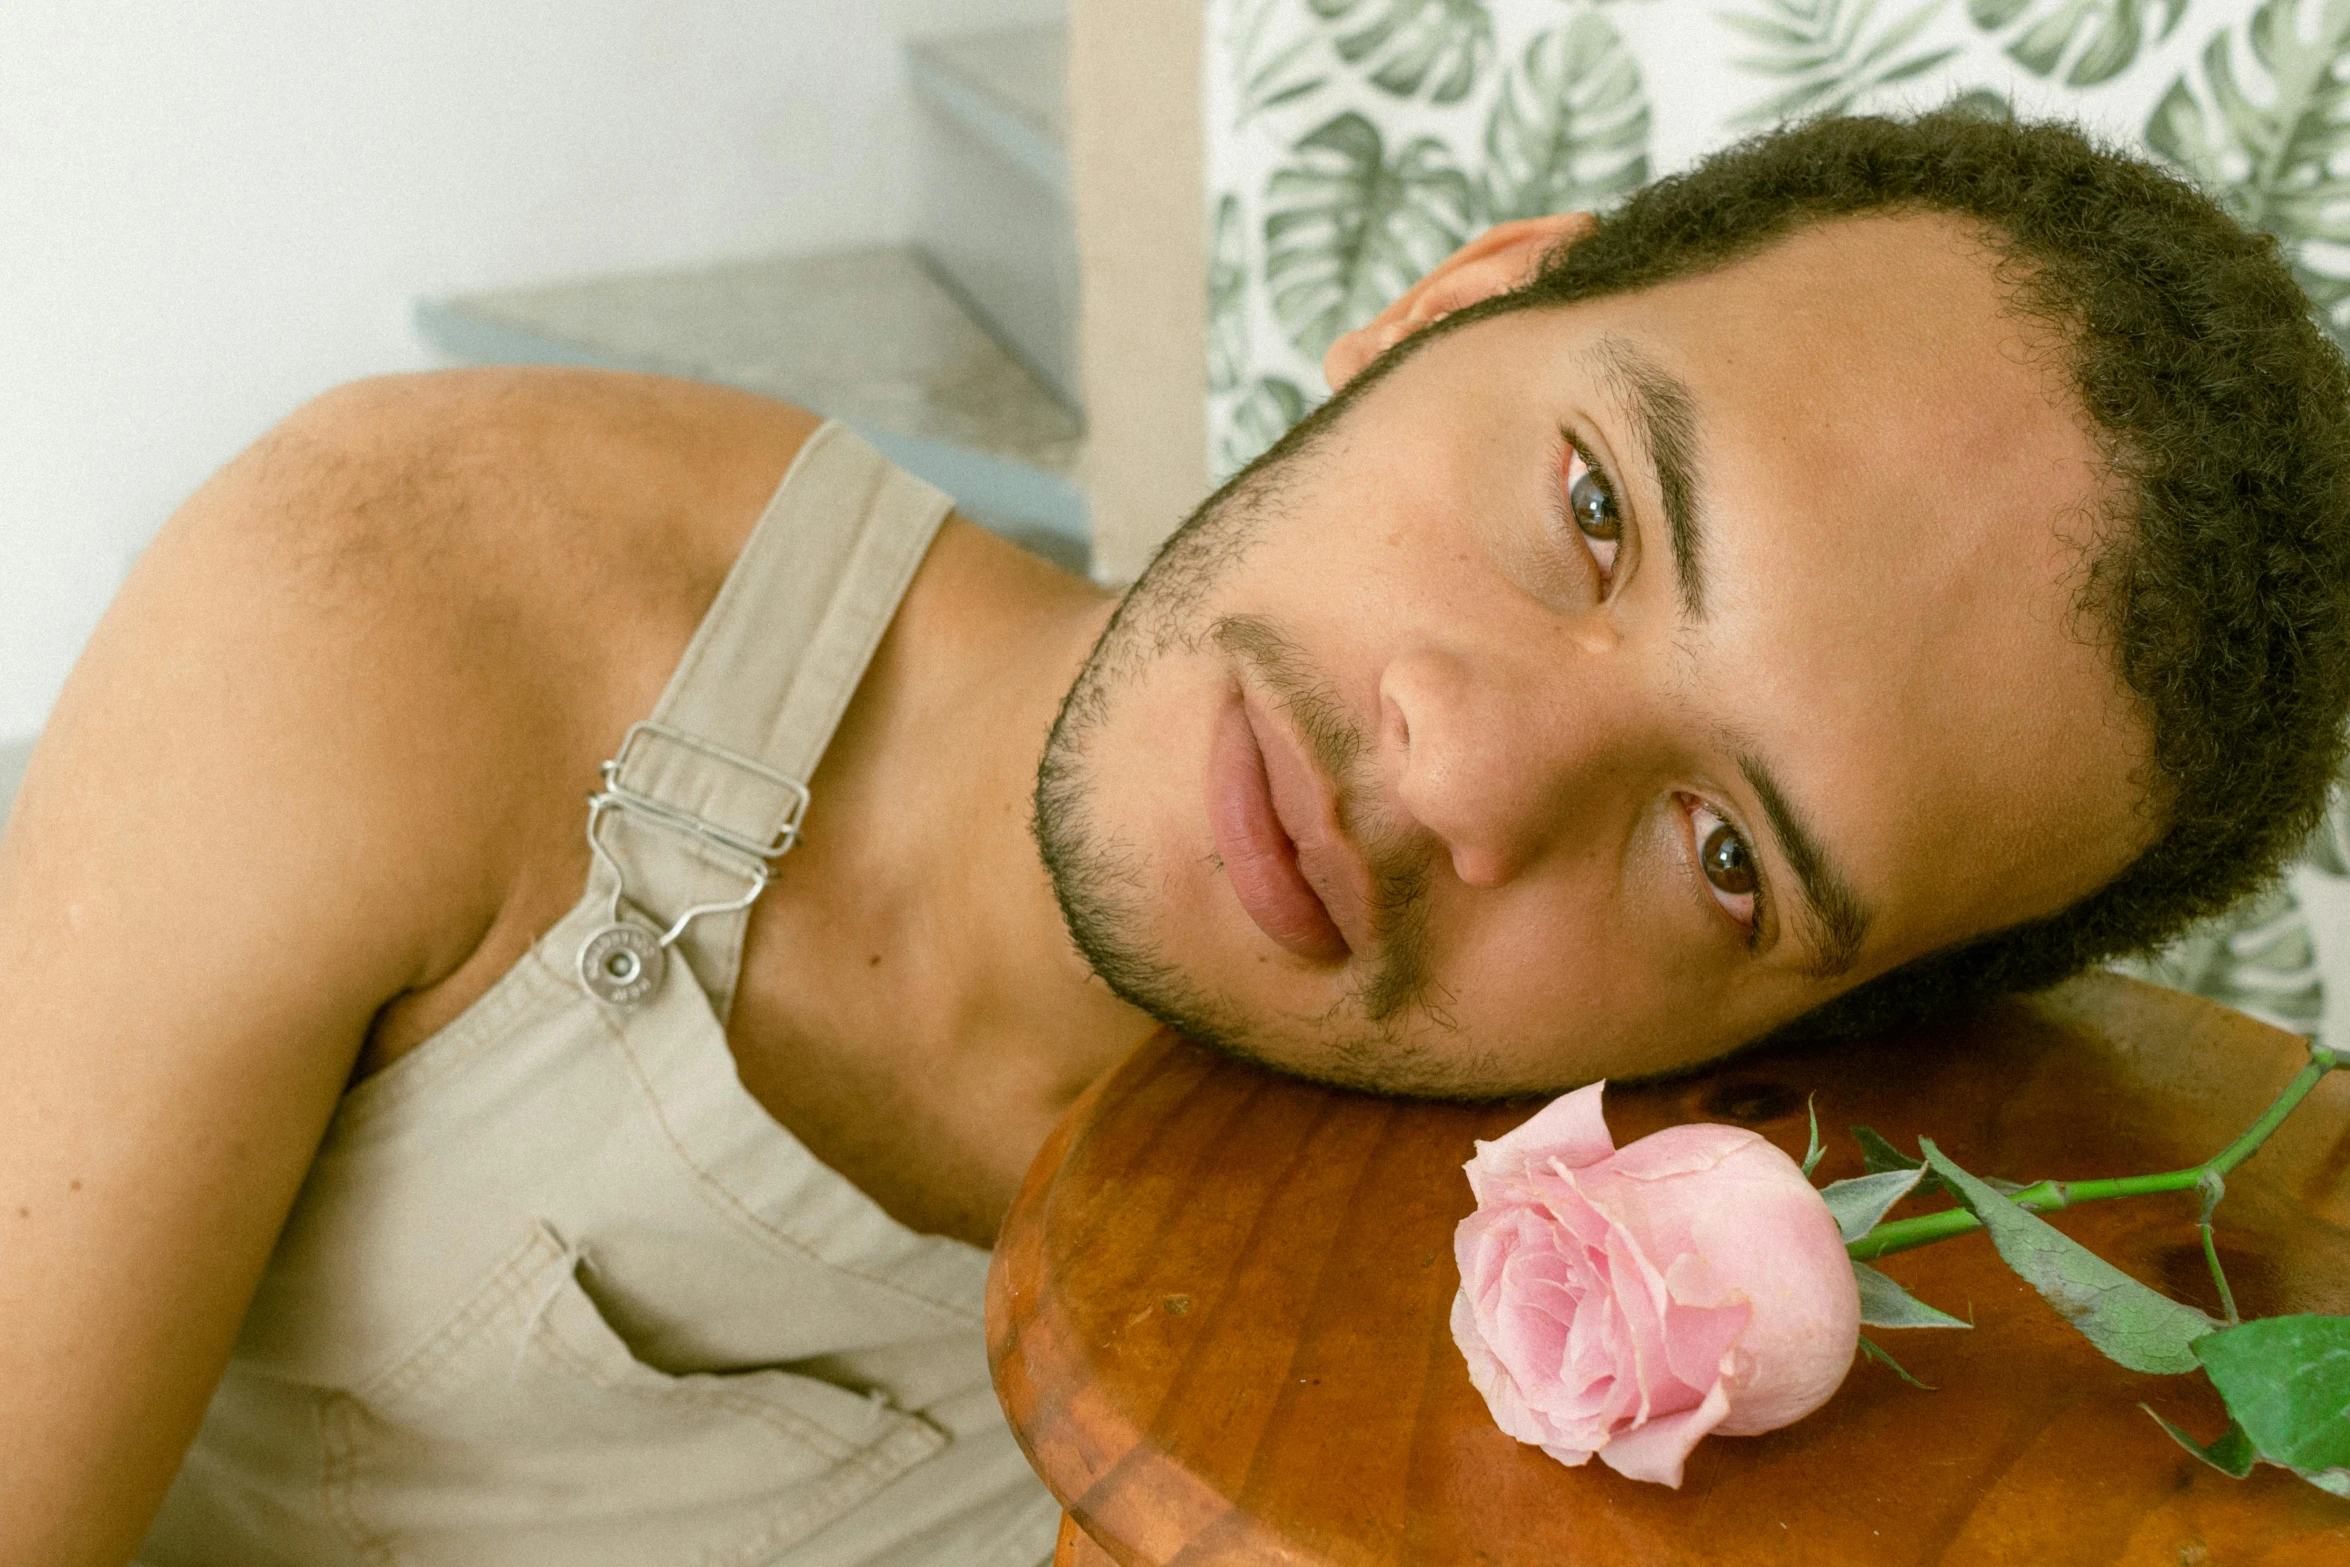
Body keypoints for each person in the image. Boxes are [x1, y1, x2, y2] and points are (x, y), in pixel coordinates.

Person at [4, 109, 2347, 1566]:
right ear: (1459, 298)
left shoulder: (1579, 1325)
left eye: (1721, 853)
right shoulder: (417, 585)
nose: (1455, 775)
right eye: (1594, 508)